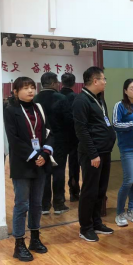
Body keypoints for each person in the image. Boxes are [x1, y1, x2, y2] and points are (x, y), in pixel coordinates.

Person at [4, 77, 55, 262]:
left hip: (41, 162)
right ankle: (19, 244)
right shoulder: (11, 110)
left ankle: (35, 238)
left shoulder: (38, 108)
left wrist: (45, 153)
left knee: (37, 203)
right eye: (25, 88)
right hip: (23, 163)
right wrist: (34, 156)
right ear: (15, 92)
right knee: (22, 204)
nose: (30, 91)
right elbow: (14, 140)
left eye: (32, 87)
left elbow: (49, 132)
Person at [73, 67, 116, 242]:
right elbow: (81, 130)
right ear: (95, 80)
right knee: (89, 191)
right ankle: (85, 227)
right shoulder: (81, 100)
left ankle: (97, 222)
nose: (105, 82)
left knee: (100, 190)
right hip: (92, 154)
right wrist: (93, 154)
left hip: (104, 151)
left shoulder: (99, 98)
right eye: (103, 79)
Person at [34, 73, 70, 215]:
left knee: (44, 172)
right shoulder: (61, 98)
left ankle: (44, 205)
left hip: (42, 141)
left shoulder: (35, 99)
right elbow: (68, 121)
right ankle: (59, 204)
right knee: (59, 171)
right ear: (54, 83)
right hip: (60, 140)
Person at [113, 79, 133, 227]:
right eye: (132, 88)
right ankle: (120, 213)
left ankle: (131, 210)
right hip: (127, 149)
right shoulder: (119, 106)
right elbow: (116, 125)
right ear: (125, 91)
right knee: (128, 181)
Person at [57, 73, 81, 203]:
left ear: (61, 82)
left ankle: (59, 196)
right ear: (74, 83)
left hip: (59, 137)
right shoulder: (76, 97)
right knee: (74, 166)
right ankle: (74, 193)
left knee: (59, 168)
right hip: (74, 137)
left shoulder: (57, 97)